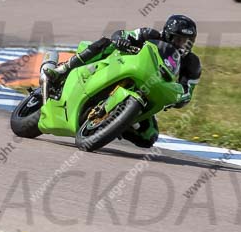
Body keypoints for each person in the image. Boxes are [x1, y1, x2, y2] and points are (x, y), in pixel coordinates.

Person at [44, 14, 202, 148]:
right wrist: (122, 40)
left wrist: (180, 98)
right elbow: (122, 34)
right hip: (119, 66)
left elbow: (188, 92)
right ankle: (62, 70)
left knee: (149, 136)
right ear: (167, 34)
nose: (181, 44)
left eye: (186, 41)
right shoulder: (150, 34)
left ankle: (117, 122)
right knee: (106, 43)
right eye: (178, 39)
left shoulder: (192, 64)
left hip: (149, 92)